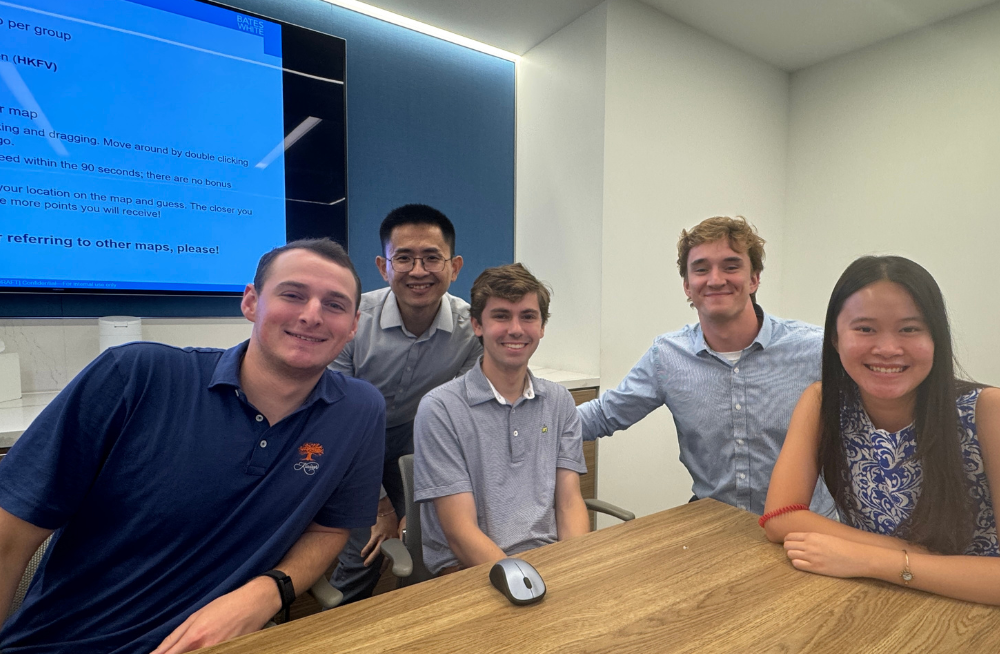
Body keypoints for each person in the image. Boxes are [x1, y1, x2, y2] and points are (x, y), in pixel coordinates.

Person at [0, 239, 386, 653]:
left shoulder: (359, 410)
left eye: (334, 304)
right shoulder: (135, 377)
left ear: (353, 326)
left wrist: (267, 593)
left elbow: (329, 529)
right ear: (251, 303)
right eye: (292, 295)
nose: (312, 315)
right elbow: (9, 540)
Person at [762, 255, 1000, 604]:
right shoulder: (822, 402)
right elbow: (779, 517)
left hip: (971, 613)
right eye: (865, 329)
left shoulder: (987, 410)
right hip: (873, 600)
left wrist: (874, 560)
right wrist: (907, 555)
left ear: (937, 337)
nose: (888, 349)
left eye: (909, 329)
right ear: (834, 339)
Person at [578, 216, 834, 515]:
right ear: (687, 285)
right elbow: (603, 415)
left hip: (803, 527)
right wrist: (524, 427)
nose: (715, 279)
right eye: (701, 269)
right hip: (715, 525)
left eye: (731, 266)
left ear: (754, 279)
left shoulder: (816, 349)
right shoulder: (668, 355)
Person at [328, 204, 481, 601]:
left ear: (455, 266)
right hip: (351, 440)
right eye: (404, 258)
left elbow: (456, 413)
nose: (418, 271)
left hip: (417, 440)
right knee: (366, 550)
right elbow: (338, 416)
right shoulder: (354, 318)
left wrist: (413, 506)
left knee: (428, 539)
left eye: (432, 257)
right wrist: (381, 508)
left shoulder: (471, 328)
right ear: (383, 265)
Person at [413, 263, 590, 574]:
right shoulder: (440, 408)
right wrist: (524, 579)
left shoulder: (559, 401)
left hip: (548, 561)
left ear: (542, 327)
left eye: (528, 316)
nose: (516, 329)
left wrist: (575, 567)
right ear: (477, 325)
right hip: (467, 569)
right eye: (501, 316)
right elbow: (459, 532)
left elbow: (569, 503)